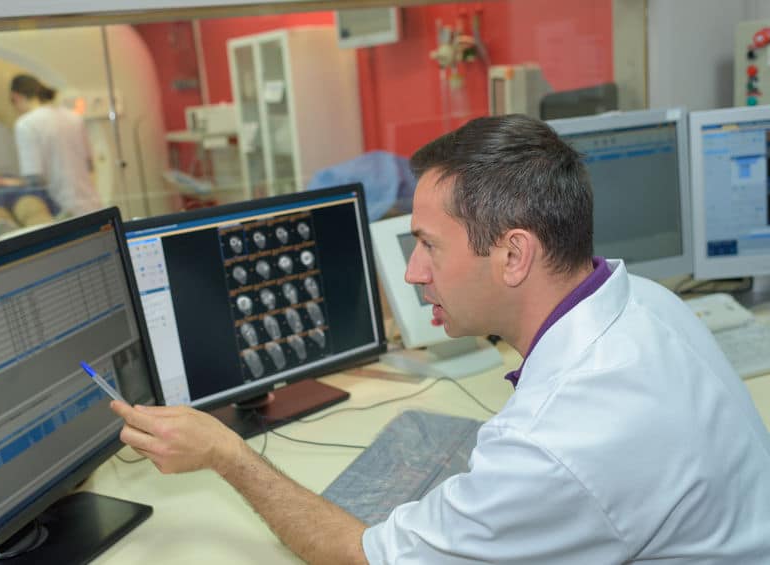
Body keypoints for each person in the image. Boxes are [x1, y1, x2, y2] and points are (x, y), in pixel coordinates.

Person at [111, 114, 770, 563]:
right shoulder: (645, 302)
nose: (411, 271)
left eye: (426, 244)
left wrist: (229, 454)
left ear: (513, 255)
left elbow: (363, 557)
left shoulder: (554, 440)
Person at [9, 74, 101, 217]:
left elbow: (34, 179)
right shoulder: (74, 117)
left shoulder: (25, 124)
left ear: (16, 97)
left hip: (62, 211)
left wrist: (6, 183)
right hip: (91, 204)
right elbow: (90, 164)